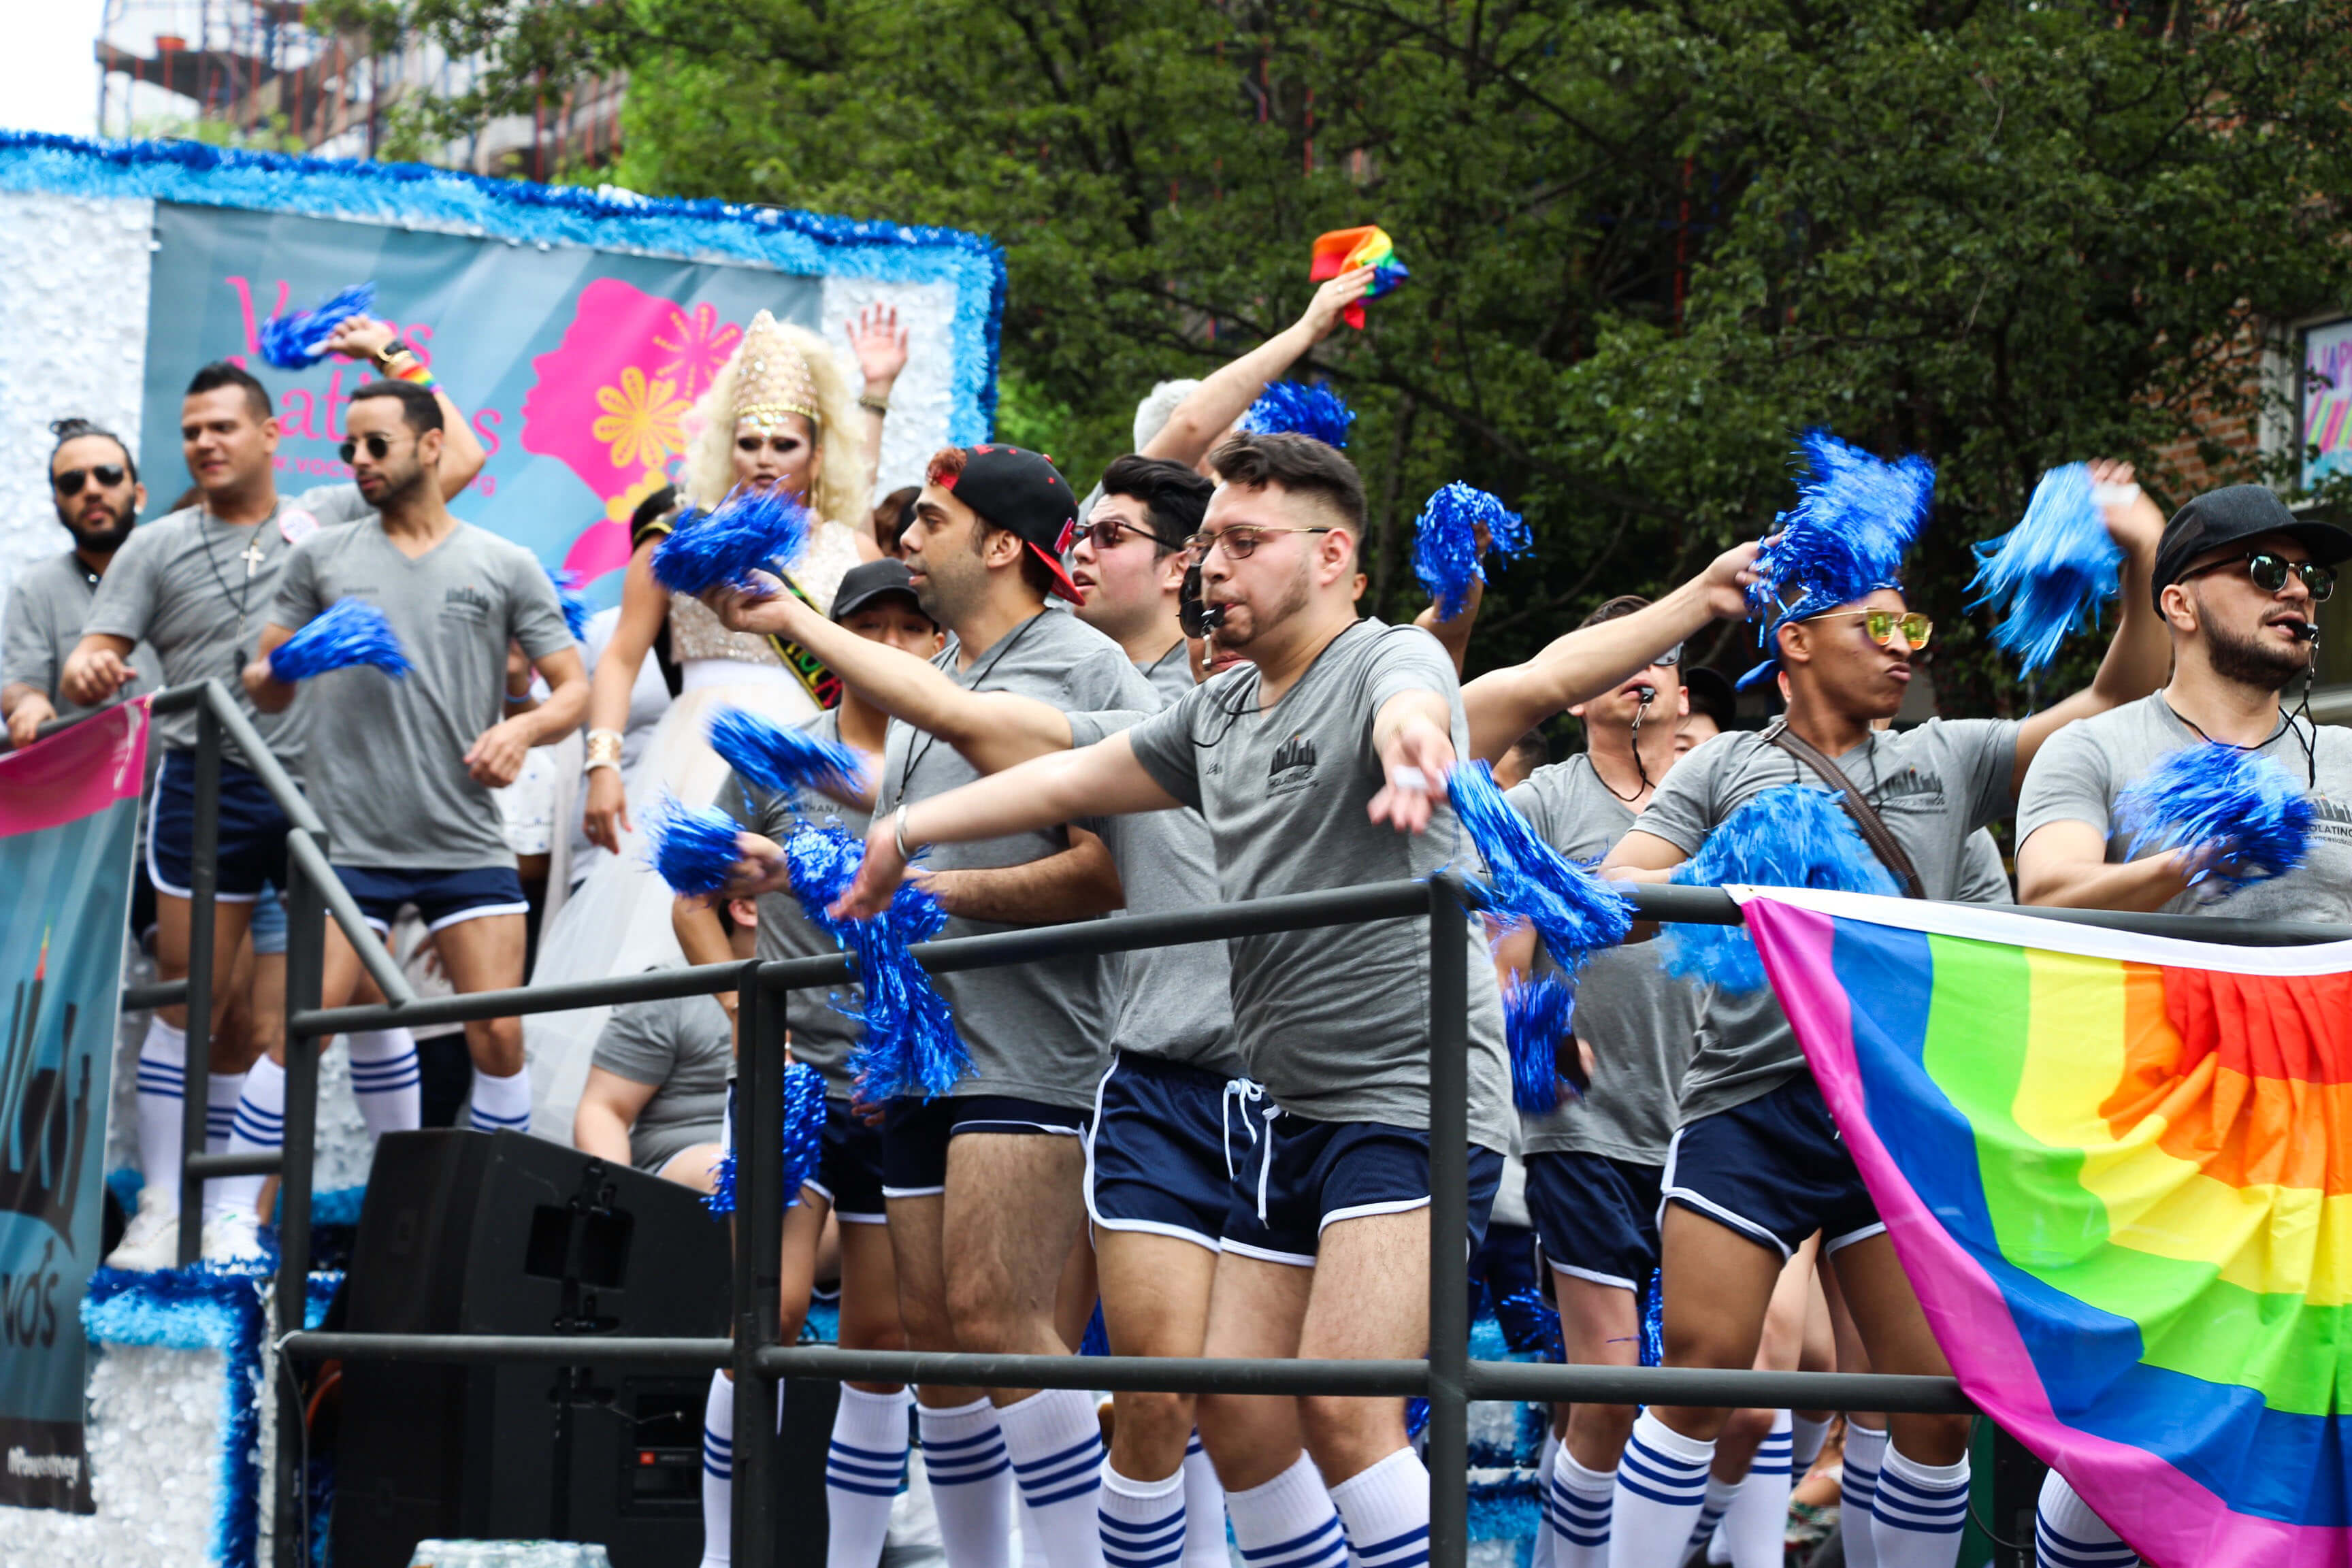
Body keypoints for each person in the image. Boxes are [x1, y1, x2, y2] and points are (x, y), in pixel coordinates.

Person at [815, 433, 1751, 1568]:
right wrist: (906, 830)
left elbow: (1438, 701)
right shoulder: (1213, 717)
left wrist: (1418, 747)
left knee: (1345, 1412)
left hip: (1407, 1102)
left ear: (1331, 556)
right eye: (1210, 540)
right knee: (1242, 1414)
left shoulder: (1387, 661)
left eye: (1245, 541)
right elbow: (1064, 770)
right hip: (1286, 1111)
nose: (1213, 563)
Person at [1593, 461, 2171, 1568]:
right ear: (1798, 640)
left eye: (1915, 627)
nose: (1907, 647)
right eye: (1881, 625)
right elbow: (1619, 893)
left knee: (1932, 1408)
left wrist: (2142, 551)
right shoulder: (1724, 764)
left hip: (1897, 1113)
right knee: (1703, 1372)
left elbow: (2112, 702)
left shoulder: (1947, 754)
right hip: (1748, 1107)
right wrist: (1733, 867)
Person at [713, 459, 1238, 1568]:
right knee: (942, 1348)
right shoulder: (937, 672)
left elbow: (1106, 872)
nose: (907, 538)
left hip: (1030, 1051)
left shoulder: (1083, 660)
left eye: (932, 521)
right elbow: (904, 859)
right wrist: (793, 869)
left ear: (1002, 546)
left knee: (1003, 1326)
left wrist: (934, 886)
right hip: (921, 1056)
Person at [66, 331, 489, 1268]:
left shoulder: (331, 512)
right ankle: (167, 1208)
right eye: (191, 431)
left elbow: (457, 455)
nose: (204, 443)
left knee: (321, 1008)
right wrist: (91, 667)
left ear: (270, 433)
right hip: (206, 789)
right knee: (193, 1000)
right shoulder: (154, 543)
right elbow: (94, 649)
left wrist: (395, 359)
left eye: (223, 426)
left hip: (325, 794)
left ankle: (303, 1214)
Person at [2014, 482, 2352, 1568]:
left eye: (2310, 577)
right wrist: (2187, 861)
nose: (2299, 593)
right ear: (2180, 604)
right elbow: (2048, 893)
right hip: (2168, 1142)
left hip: (2333, 1147)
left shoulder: (2349, 760)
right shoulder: (2097, 748)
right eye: (2266, 571)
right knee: (2148, 1429)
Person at [223, 379, 586, 1258]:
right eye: (348, 447)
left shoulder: (502, 562)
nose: (358, 460)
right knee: (299, 1032)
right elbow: (262, 687)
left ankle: (490, 1232)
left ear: (430, 446)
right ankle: (233, 1227)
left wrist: (521, 729)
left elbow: (572, 688)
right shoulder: (323, 558)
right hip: (349, 842)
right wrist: (288, 664)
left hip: (464, 838)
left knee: (499, 1033)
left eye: (375, 444)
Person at [532, 308, 901, 1141]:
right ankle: (660, 1124)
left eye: (785, 443)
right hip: (697, 748)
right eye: (750, 442)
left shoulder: (848, 544)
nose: (765, 458)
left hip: (810, 752)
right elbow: (620, 657)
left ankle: (791, 1100)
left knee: (803, 917)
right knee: (672, 919)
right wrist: (601, 762)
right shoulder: (684, 538)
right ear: (725, 448)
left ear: (817, 455)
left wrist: (876, 392)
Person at [677, 557, 938, 1568]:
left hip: (904, 1090)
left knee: (880, 1339)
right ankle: (721, 1555)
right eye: (868, 627)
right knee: (768, 1314)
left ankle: (852, 1560)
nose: (891, 646)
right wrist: (745, 1013)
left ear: (940, 640)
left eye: (911, 627)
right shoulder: (778, 759)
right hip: (789, 1086)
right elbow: (691, 901)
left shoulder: (957, 758)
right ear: (832, 644)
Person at [1492, 598, 1703, 1568]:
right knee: (1611, 1393)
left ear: (1682, 693)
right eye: (1620, 656)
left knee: (1712, 1398)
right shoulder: (1540, 804)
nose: (1640, 670)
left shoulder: (1720, 791)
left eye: (1662, 657)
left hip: (1706, 1131)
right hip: (1584, 1134)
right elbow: (1501, 959)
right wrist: (1532, 1042)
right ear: (1578, 694)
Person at [572, 896, 747, 1190]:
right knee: (749, 1177)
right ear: (746, 908)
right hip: (684, 1160)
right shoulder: (671, 990)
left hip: (808, 1152)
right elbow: (605, 1108)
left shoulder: (828, 985)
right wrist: (611, 1200)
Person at [3, 419, 160, 747]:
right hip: (82, 779)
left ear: (139, 494)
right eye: (72, 482)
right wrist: (28, 703)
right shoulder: (35, 590)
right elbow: (20, 686)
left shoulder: (175, 573)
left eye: (108, 474)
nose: (92, 490)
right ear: (56, 505)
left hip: (187, 778)